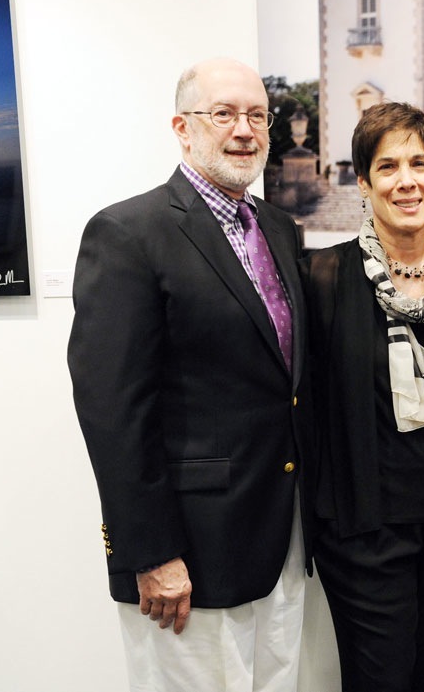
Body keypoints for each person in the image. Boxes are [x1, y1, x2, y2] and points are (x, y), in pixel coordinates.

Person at [67, 58, 312, 691]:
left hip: (280, 542)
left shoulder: (279, 229)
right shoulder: (128, 233)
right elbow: (112, 410)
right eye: (224, 114)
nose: (245, 130)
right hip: (187, 558)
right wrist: (150, 552)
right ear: (182, 127)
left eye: (257, 115)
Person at [299, 101, 424, 692]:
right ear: (363, 181)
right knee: (379, 679)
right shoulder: (323, 279)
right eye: (388, 167)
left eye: (419, 164)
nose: (406, 181)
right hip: (362, 528)